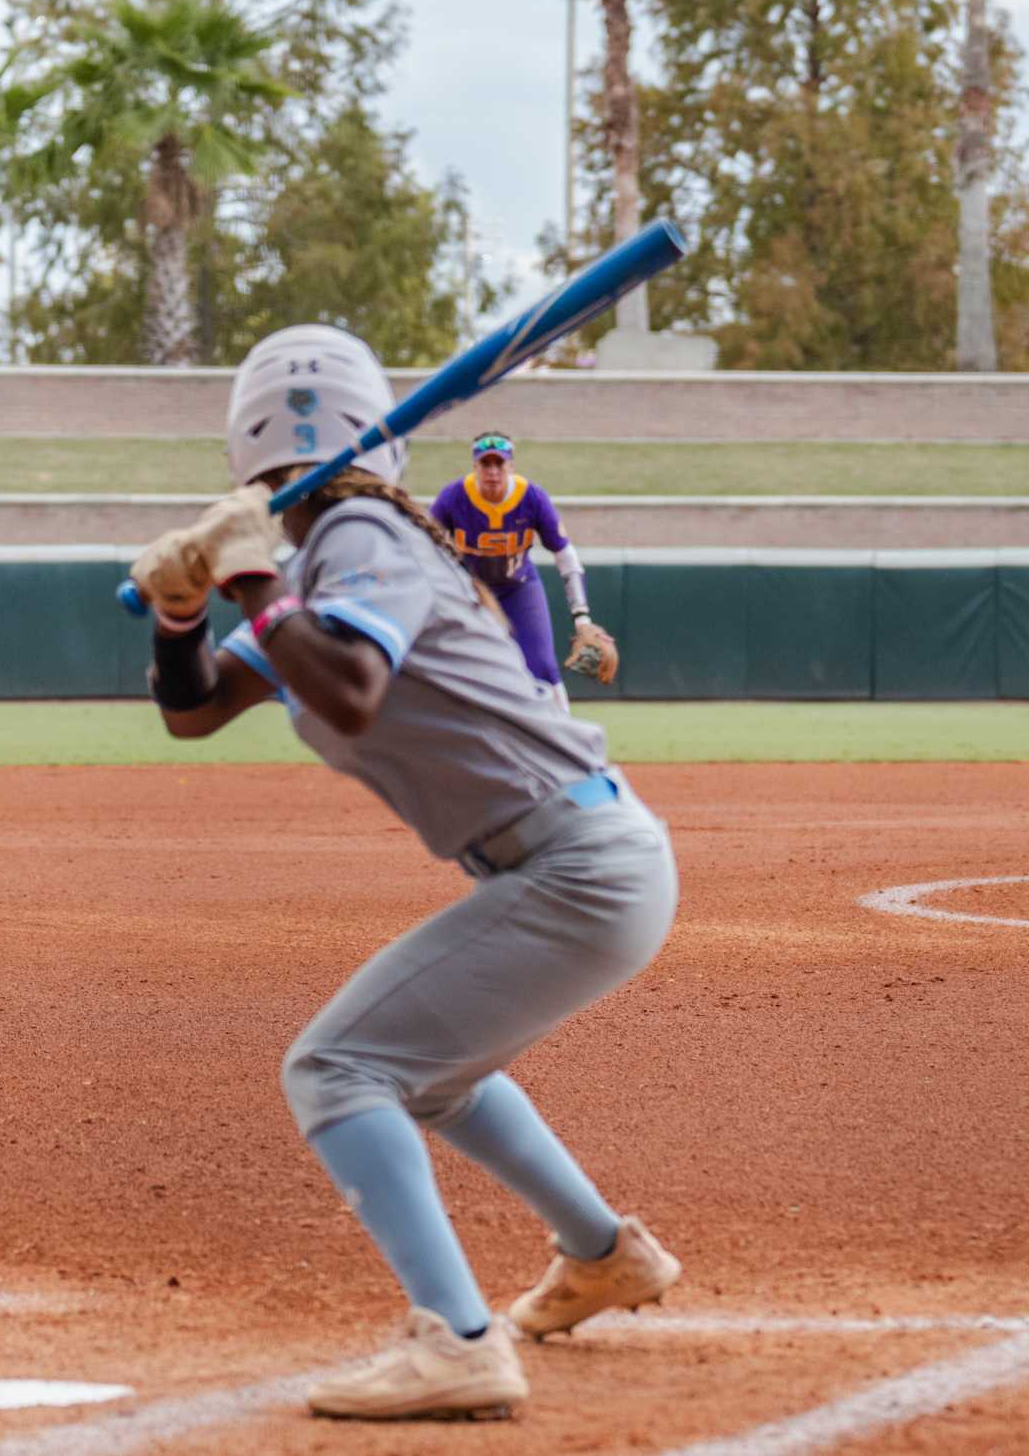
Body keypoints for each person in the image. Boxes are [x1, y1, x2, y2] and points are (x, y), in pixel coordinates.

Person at [128, 325, 681, 1420]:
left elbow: (348, 693)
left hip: (577, 866)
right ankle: (603, 1253)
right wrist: (181, 614)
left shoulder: (363, 536)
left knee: (337, 1069)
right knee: (430, 1075)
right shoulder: (330, 560)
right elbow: (194, 711)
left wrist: (250, 577)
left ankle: (461, 1343)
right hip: (572, 864)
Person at [429, 433, 616, 704]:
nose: (492, 471)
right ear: (475, 467)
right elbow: (423, 545)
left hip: (519, 588)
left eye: (499, 464)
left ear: (511, 467)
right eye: (485, 464)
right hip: (472, 593)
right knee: (462, 669)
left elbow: (565, 555)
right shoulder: (453, 497)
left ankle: (561, 738)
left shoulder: (532, 497)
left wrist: (582, 616)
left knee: (543, 669)